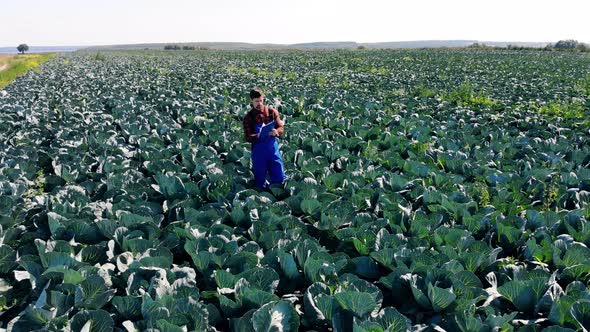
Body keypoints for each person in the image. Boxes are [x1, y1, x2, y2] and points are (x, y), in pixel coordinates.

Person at [242, 87, 286, 189]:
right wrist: (259, 135)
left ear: (263, 99)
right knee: (259, 179)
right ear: (251, 101)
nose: (259, 103)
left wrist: (276, 132)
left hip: (273, 151)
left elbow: (281, 128)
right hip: (259, 153)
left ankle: (278, 195)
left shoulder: (272, 112)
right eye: (256, 101)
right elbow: (248, 137)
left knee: (278, 175)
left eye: (261, 100)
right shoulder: (248, 117)